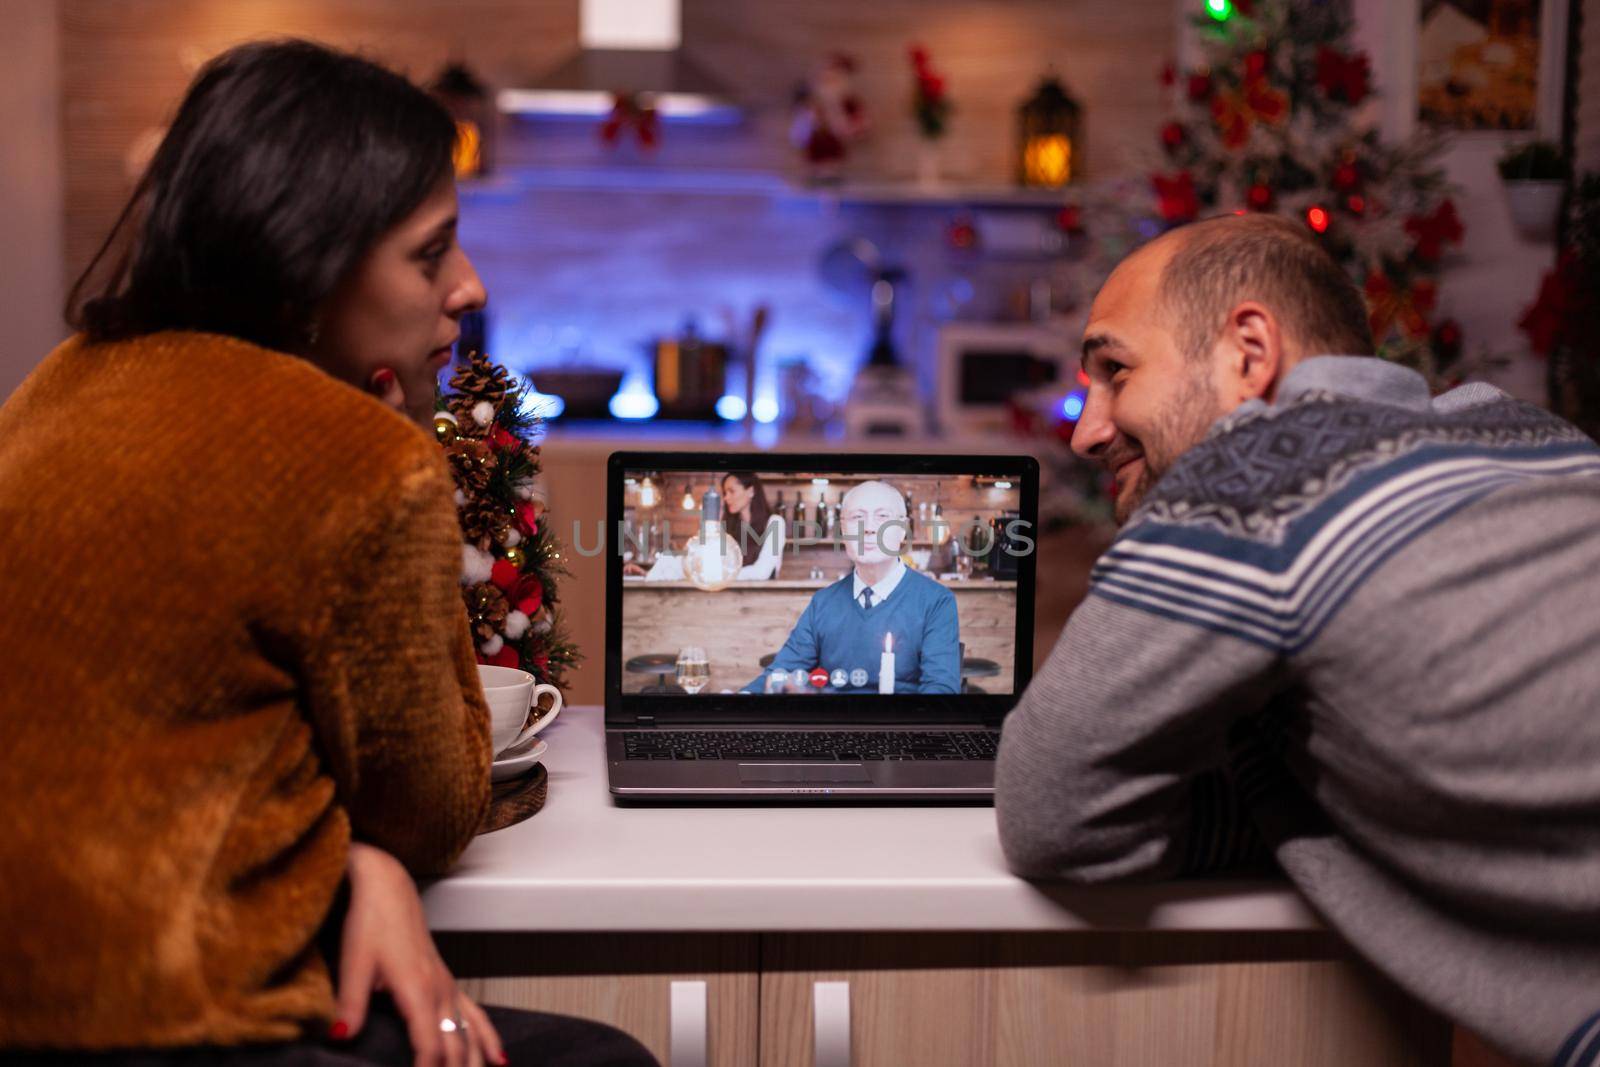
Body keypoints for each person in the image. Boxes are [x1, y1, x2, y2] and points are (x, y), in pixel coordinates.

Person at [0, 40, 655, 1067]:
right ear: (307, 255)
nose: (469, 286)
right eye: (432, 252)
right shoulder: (356, 458)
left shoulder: (56, 385)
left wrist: (353, 862)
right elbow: (435, 809)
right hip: (180, 1025)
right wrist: (408, 459)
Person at [994, 213, 1600, 1067]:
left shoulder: (1260, 468)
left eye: (1115, 372)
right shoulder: (1532, 433)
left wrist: (1286, 779)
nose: (1086, 430)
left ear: (1248, 351)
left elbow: (1051, 806)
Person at [746, 480, 959, 694]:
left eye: (882, 516)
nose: (868, 528)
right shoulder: (823, 602)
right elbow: (782, 670)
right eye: (858, 518)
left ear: (903, 530)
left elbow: (941, 691)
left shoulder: (936, 601)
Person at [637, 471, 783, 581]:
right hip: (728, 595)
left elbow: (762, 572)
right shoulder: (727, 527)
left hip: (760, 599)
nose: (726, 498)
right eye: (725, 493)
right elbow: (706, 561)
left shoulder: (775, 523)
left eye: (731, 491)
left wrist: (719, 576)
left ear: (751, 491)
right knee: (669, 560)